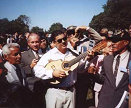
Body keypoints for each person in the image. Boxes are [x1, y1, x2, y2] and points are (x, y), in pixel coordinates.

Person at [33, 30, 83, 108]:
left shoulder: (74, 53)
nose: (63, 41)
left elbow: (80, 69)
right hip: (55, 92)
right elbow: (37, 70)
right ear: (54, 42)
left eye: (65, 39)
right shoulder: (49, 55)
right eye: (59, 40)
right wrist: (52, 73)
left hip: (71, 92)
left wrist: (88, 59)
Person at [88, 33, 130, 108]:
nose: (112, 44)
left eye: (116, 41)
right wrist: (94, 74)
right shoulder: (107, 59)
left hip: (123, 103)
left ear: (126, 42)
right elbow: (104, 80)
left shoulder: (130, 60)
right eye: (112, 41)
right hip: (105, 102)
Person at [1, 43, 33, 107]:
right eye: (15, 54)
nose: (19, 56)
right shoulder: (3, 72)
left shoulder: (20, 68)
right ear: (6, 56)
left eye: (19, 53)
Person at [21, 33, 46, 107]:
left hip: (46, 88)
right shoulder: (23, 55)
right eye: (32, 42)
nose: (35, 44)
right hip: (32, 90)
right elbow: (19, 71)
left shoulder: (47, 54)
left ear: (40, 42)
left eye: (37, 42)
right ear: (28, 43)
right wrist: (30, 67)